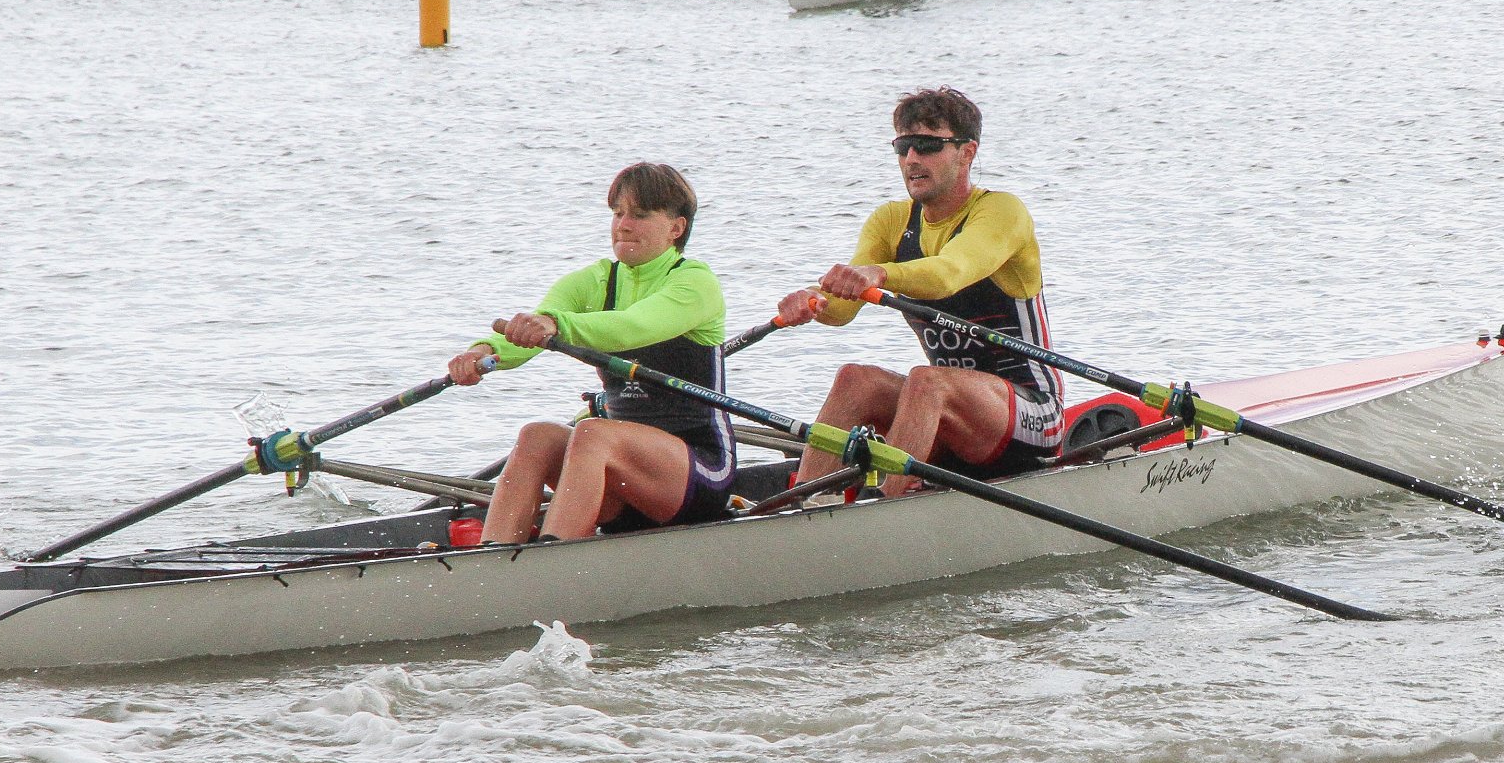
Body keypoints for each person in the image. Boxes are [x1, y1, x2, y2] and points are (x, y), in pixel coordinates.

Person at [776, 88, 1061, 497]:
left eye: (928, 146)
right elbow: (841, 308)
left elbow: (949, 273)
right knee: (856, 379)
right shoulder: (891, 220)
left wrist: (877, 273)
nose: (912, 159)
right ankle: (805, 502)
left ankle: (881, 509)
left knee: (928, 382)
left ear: (967, 153)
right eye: (903, 146)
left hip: (1031, 412)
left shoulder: (1002, 212)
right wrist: (811, 299)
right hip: (948, 417)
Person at [445, 163, 735, 542]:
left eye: (640, 215)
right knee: (537, 436)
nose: (623, 225)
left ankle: (555, 558)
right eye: (618, 213)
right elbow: (534, 328)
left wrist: (559, 325)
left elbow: (633, 326)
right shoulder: (596, 280)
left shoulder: (695, 282)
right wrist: (481, 353)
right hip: (617, 482)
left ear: (676, 228)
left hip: (696, 474)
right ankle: (493, 555)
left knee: (594, 433)